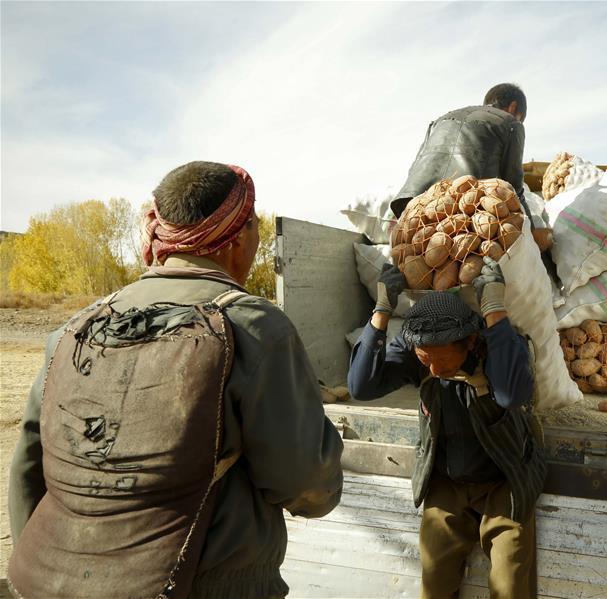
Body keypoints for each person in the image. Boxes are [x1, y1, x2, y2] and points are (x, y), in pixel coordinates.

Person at [7, 161, 344, 599]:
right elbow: (305, 483)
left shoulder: (74, 329)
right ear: (239, 238)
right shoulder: (254, 326)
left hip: (44, 581)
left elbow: (28, 470)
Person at [347, 259, 547, 599]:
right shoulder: (416, 348)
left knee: (511, 585)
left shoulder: (497, 345)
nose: (434, 368)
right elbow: (360, 386)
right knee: (435, 584)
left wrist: (494, 308)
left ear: (470, 341)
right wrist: (381, 310)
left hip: (504, 479)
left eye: (443, 359)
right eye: (426, 359)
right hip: (446, 482)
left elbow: (512, 395)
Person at [391, 83, 528, 219]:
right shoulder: (511, 124)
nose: (519, 121)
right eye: (520, 118)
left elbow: (415, 167)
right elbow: (513, 189)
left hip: (413, 207)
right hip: (465, 210)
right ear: (513, 107)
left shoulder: (440, 120)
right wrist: (533, 232)